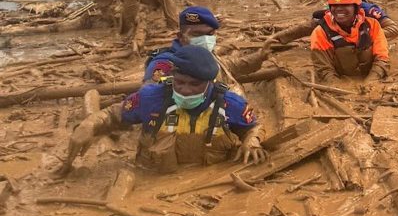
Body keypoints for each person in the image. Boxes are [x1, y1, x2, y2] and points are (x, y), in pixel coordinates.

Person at [60, 46, 266, 175]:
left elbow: (253, 127)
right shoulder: (149, 98)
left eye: (194, 84)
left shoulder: (230, 103)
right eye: (180, 82)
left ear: (211, 82)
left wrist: (252, 142)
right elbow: (113, 115)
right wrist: (90, 124)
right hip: (151, 176)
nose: (185, 90)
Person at [143, 6, 270, 85]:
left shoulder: (208, 54)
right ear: (181, 37)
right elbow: (149, 99)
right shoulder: (165, 64)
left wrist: (260, 56)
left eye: (210, 34)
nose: (205, 39)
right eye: (197, 34)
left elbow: (227, 68)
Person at [273, 0, 398, 45]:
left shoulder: (368, 9)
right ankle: (278, 39)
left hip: (366, 44)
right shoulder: (335, 11)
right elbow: (310, 26)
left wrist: (364, 35)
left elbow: (394, 29)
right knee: (317, 20)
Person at [310, 0, 390, 83]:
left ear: (356, 7)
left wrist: (370, 83)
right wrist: (341, 88)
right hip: (339, 79)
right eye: (334, 5)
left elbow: (382, 58)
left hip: (370, 76)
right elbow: (324, 70)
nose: (339, 9)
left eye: (345, 5)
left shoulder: (372, 25)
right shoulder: (320, 32)